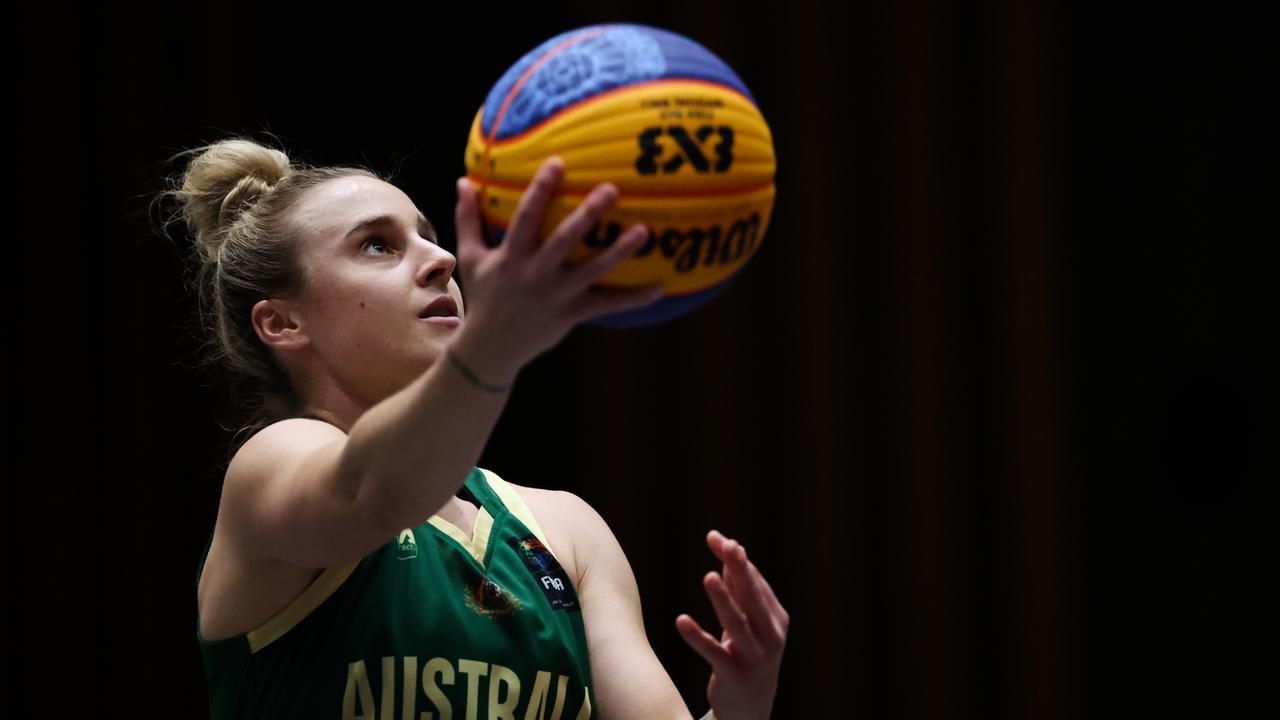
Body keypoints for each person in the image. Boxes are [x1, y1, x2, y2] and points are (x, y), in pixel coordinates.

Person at [158, 137, 789, 719]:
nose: (442, 259)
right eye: (377, 244)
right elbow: (374, 494)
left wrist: (742, 704)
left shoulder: (565, 529)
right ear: (283, 323)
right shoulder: (273, 463)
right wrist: (494, 347)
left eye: (429, 237)